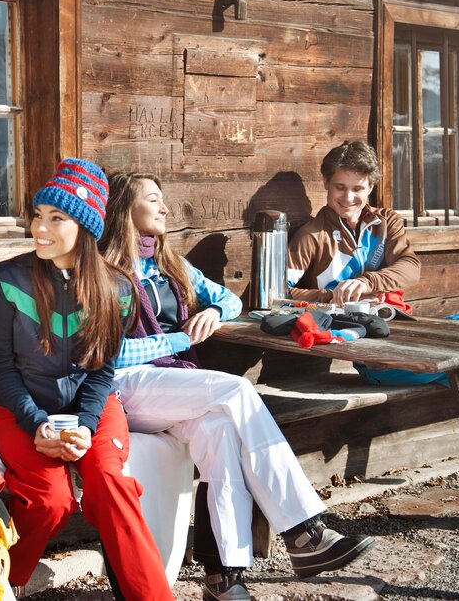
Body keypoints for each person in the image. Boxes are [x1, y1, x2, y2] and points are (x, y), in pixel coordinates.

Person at [100, 171, 375, 601]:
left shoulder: (169, 264)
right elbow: (107, 354)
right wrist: (179, 340)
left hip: (172, 383)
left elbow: (227, 299)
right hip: (124, 386)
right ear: (124, 210)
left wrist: (213, 312)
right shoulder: (105, 272)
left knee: (222, 433)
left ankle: (222, 576)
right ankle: (304, 531)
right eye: (153, 200)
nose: (164, 208)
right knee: (237, 390)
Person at [287, 140, 459, 536]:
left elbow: (410, 267)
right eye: (339, 187)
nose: (348, 197)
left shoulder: (386, 222)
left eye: (357, 188)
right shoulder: (311, 235)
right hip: (376, 354)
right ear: (326, 185)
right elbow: (279, 294)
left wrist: (368, 281)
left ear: (371, 186)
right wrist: (328, 296)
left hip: (407, 331)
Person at [0, 159, 174, 600]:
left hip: (92, 407)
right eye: (38, 215)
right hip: (17, 406)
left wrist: (86, 425)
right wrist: (37, 424)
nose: (39, 228)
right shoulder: (10, 278)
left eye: (56, 218)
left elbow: (103, 371)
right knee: (50, 500)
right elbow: (2, 369)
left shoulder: (119, 288)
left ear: (85, 227)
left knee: (109, 482)